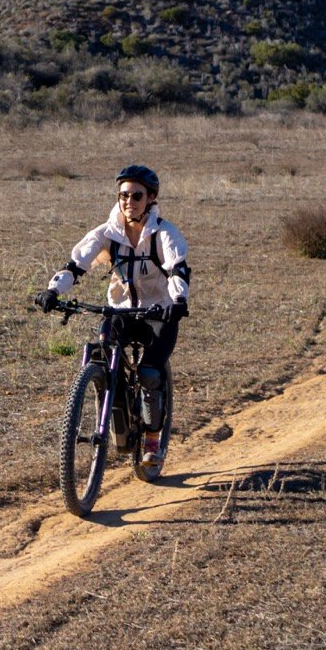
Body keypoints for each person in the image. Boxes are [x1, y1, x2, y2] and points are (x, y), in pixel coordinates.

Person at [34, 164, 190, 467]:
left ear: (151, 198)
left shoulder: (165, 234)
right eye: (124, 195)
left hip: (159, 312)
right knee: (102, 353)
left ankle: (152, 441)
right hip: (121, 310)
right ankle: (114, 417)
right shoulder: (107, 233)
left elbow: (177, 269)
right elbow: (76, 264)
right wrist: (53, 291)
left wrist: (178, 300)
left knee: (149, 374)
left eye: (136, 196)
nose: (129, 201)